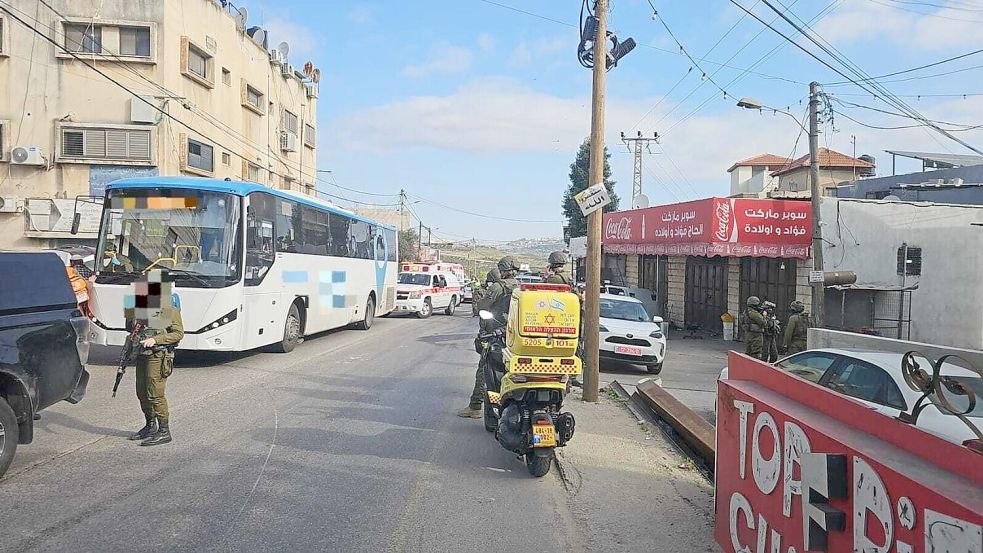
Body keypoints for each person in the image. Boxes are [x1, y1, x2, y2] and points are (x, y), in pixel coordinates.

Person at [458, 256, 519, 418]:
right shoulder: (520, 287)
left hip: (495, 335)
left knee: (485, 368)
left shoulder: (498, 287)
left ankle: (475, 405)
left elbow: (482, 306)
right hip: (513, 335)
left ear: (503, 270)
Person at [128, 276, 184, 447]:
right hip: (142, 355)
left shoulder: (169, 309)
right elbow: (132, 330)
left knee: (155, 394)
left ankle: (164, 431)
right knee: (142, 393)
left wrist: (156, 340)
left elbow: (178, 333)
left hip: (157, 356)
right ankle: (150, 426)